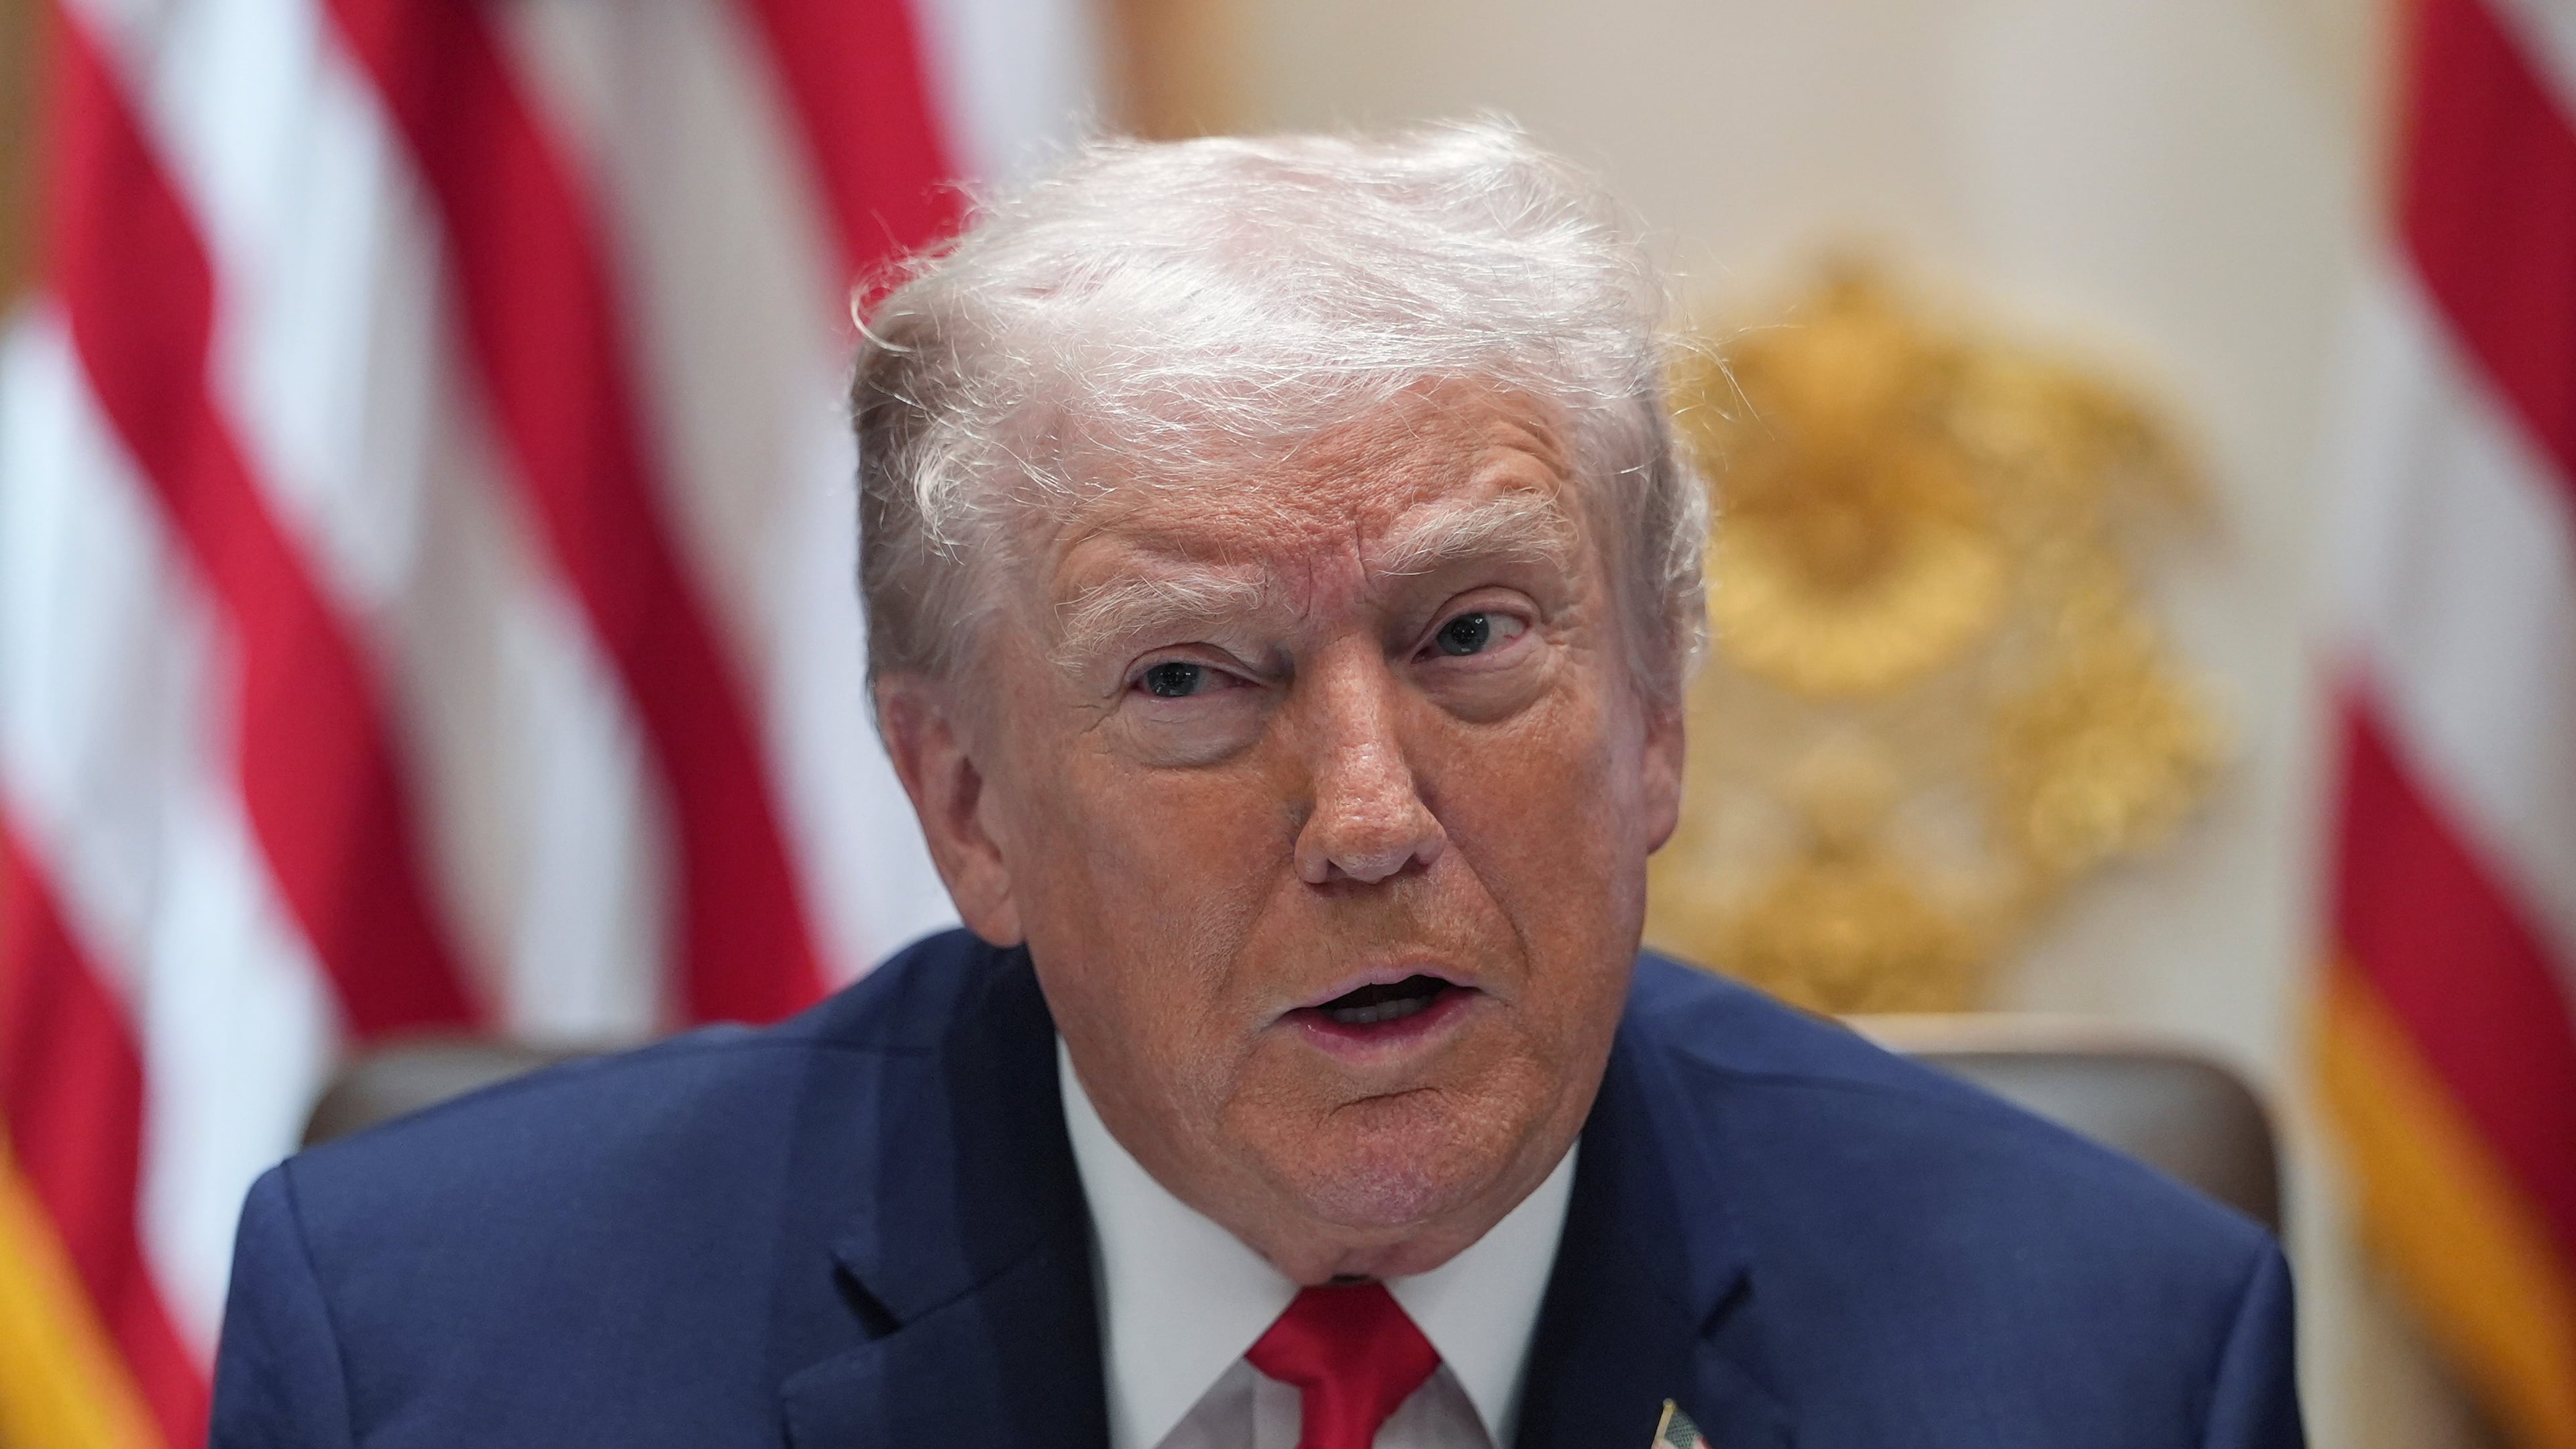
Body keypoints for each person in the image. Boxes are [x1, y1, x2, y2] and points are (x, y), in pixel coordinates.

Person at [210, 123, 2302, 1449]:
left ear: (1658, 712)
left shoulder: (2104, 1354)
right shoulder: (442, 1352)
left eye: (1476, 635)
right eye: (1198, 679)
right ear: (966, 805)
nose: (1373, 814)